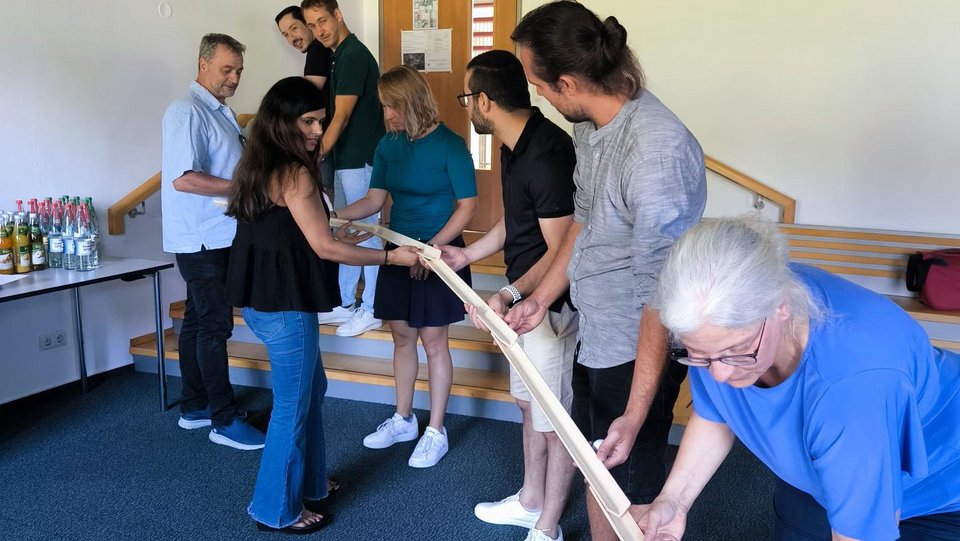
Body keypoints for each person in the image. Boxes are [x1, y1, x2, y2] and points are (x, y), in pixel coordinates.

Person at [506, 3, 707, 540]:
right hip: (597, 333)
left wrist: (636, 413)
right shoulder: (591, 127)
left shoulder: (654, 150)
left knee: (631, 498)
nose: (538, 97)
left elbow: (659, 293)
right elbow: (584, 222)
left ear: (568, 83)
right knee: (599, 472)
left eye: (538, 86)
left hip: (636, 348)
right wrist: (539, 298)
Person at [637, 217, 960, 541]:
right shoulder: (718, 319)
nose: (718, 374)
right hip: (821, 470)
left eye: (736, 351)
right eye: (699, 354)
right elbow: (717, 414)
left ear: (781, 307)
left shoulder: (852, 382)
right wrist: (673, 501)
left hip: (941, 492)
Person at [224, 76, 419, 534]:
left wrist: (336, 232)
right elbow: (324, 248)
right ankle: (276, 510)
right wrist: (390, 257)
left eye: (320, 121)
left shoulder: (260, 162)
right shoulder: (293, 172)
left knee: (312, 389)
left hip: (266, 301)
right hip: (285, 306)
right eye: (308, 122)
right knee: (292, 406)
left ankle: (310, 481)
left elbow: (293, 231)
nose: (317, 131)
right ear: (283, 121)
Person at [438, 50, 577, 541]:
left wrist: (512, 292)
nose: (467, 108)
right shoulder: (512, 145)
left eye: (467, 98)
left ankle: (548, 526)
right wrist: (466, 254)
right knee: (527, 406)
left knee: (554, 419)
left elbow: (563, 250)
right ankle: (530, 499)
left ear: (484, 101)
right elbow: (515, 221)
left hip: (549, 307)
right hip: (523, 303)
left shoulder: (548, 154)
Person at [334, 65, 477, 469]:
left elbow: (467, 207)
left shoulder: (450, 145)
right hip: (399, 251)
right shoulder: (388, 145)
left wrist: (433, 249)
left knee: (434, 341)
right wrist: (334, 217)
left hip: (440, 251)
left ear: (412, 102)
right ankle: (403, 419)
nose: (387, 115)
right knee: (401, 338)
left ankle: (436, 430)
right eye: (384, 107)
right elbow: (374, 200)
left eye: (391, 106)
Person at [160, 33, 265, 451]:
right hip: (202, 238)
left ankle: (195, 406)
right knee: (214, 326)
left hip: (216, 234)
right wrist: (247, 188)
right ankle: (224, 419)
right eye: (226, 69)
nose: (234, 78)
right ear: (203, 65)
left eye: (239, 70)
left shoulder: (219, 111)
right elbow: (185, 179)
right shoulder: (187, 111)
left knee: (199, 322)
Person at [301, 0, 386, 336]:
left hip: (361, 158)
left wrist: (315, 155)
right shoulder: (339, 55)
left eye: (323, 21)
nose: (318, 31)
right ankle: (345, 303)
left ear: (338, 15)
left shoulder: (352, 55)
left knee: (366, 233)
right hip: (347, 159)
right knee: (345, 230)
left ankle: (373, 308)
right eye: (312, 25)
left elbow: (342, 116)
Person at [274, 5, 336, 200]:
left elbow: (306, 98)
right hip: (327, 138)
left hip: (323, 138)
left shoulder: (317, 49)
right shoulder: (321, 50)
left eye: (294, 28)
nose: (291, 38)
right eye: (285, 34)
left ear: (308, 24)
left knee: (323, 196)